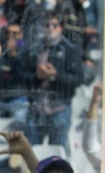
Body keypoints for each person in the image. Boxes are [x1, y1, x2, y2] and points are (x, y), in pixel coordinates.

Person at [24, 11, 83, 151]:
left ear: (61, 27)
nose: (50, 28)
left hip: (59, 107)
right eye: (47, 25)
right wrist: (37, 76)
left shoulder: (70, 49)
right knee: (31, 152)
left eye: (55, 25)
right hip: (37, 107)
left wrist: (55, 76)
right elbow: (21, 75)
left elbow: (78, 79)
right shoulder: (35, 48)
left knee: (57, 152)